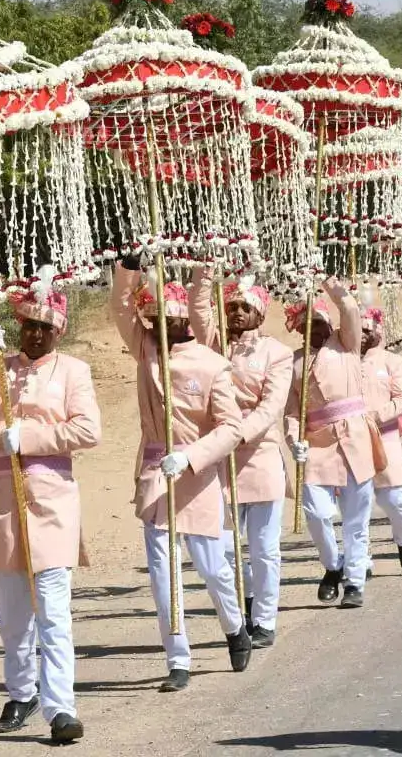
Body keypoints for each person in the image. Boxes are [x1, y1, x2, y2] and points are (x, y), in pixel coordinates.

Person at [0, 266, 100, 744]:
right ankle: (21, 693)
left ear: (58, 330)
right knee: (12, 613)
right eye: (28, 326)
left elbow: (88, 431)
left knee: (53, 612)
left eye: (45, 327)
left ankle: (61, 708)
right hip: (2, 501)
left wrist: (32, 437)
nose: (35, 335)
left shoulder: (74, 371)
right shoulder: (2, 367)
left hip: (52, 501)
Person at [114, 259, 250, 693]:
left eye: (165, 319)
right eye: (151, 319)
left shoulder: (212, 365)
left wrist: (191, 456)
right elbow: (120, 309)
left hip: (197, 475)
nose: (156, 326)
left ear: (183, 319)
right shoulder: (146, 348)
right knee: (163, 573)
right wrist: (128, 271)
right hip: (156, 473)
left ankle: (234, 626)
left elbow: (231, 428)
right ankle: (178, 658)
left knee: (212, 569)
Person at [189, 267, 293, 648]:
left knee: (264, 548)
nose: (235, 313)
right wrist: (204, 272)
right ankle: (245, 602)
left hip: (259, 456)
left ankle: (265, 618)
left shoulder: (277, 354)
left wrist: (237, 434)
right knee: (226, 546)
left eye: (244, 308)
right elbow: (198, 308)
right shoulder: (213, 346)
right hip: (220, 459)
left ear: (259, 314)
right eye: (230, 306)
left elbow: (271, 408)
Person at [285, 278, 383, 609]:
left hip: (354, 435)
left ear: (329, 324)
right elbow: (291, 411)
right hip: (318, 443)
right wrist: (293, 439)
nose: (313, 329)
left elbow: (350, 307)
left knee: (356, 517)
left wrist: (324, 278)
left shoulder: (346, 344)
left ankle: (355, 581)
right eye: (306, 324)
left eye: (319, 322)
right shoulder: (294, 361)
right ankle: (333, 564)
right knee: (316, 511)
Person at [359, 305, 402, 574]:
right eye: (356, 329)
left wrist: (375, 415)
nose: (361, 335)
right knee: (357, 503)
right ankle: (362, 558)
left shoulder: (391, 361)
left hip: (386, 437)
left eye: (366, 329)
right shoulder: (344, 360)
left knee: (394, 500)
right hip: (354, 441)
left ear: (377, 330)